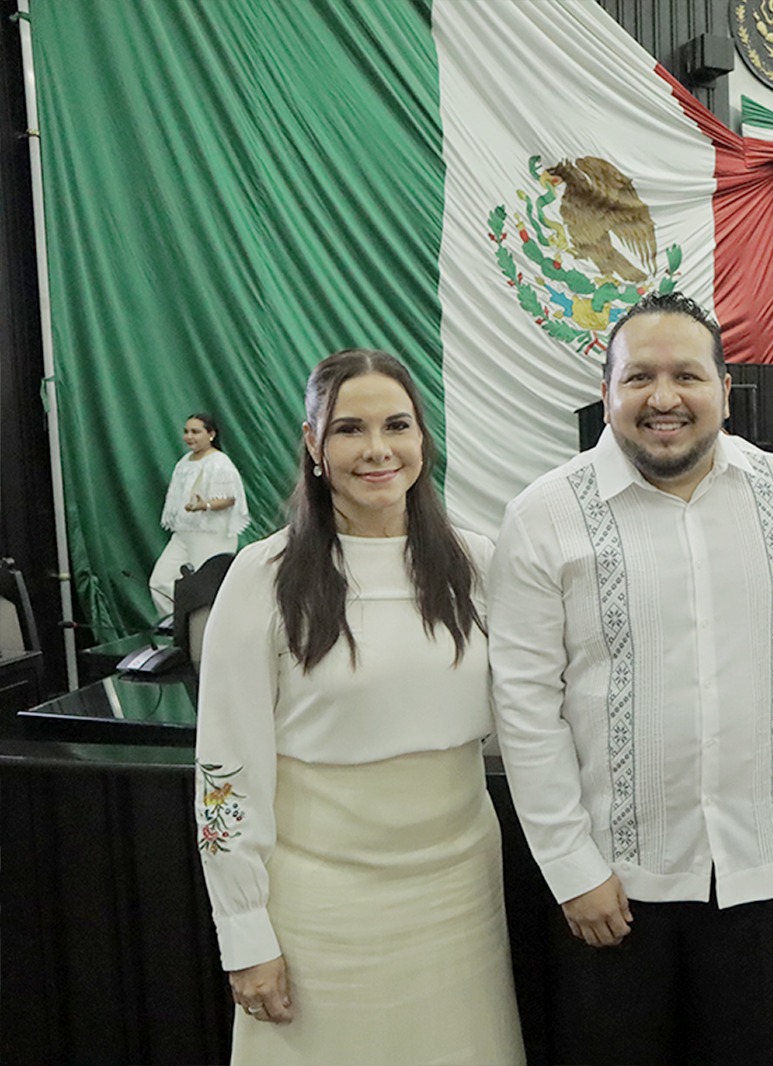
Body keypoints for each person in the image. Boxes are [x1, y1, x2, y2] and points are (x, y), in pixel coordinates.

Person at [488, 291, 773, 1066]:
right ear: (606, 390)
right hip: (613, 886)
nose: (663, 397)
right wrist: (572, 869)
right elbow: (525, 706)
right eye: (639, 377)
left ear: (724, 390)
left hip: (760, 871)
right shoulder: (544, 515)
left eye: (687, 376)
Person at [194, 350, 523, 1065]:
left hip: (459, 892)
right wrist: (244, 933)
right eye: (350, 429)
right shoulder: (262, 577)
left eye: (396, 425)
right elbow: (226, 769)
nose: (377, 450)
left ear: (422, 438)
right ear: (313, 444)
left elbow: (528, 717)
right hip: (321, 902)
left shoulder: (477, 563)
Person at [150, 412, 250, 615]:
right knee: (160, 582)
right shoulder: (184, 462)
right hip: (184, 534)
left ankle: (208, 629)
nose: (189, 436)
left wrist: (204, 505)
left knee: (207, 590)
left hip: (210, 536)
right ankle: (178, 625)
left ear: (211, 434)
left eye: (195, 432)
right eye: (186, 432)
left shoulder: (219, 462)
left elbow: (230, 498)